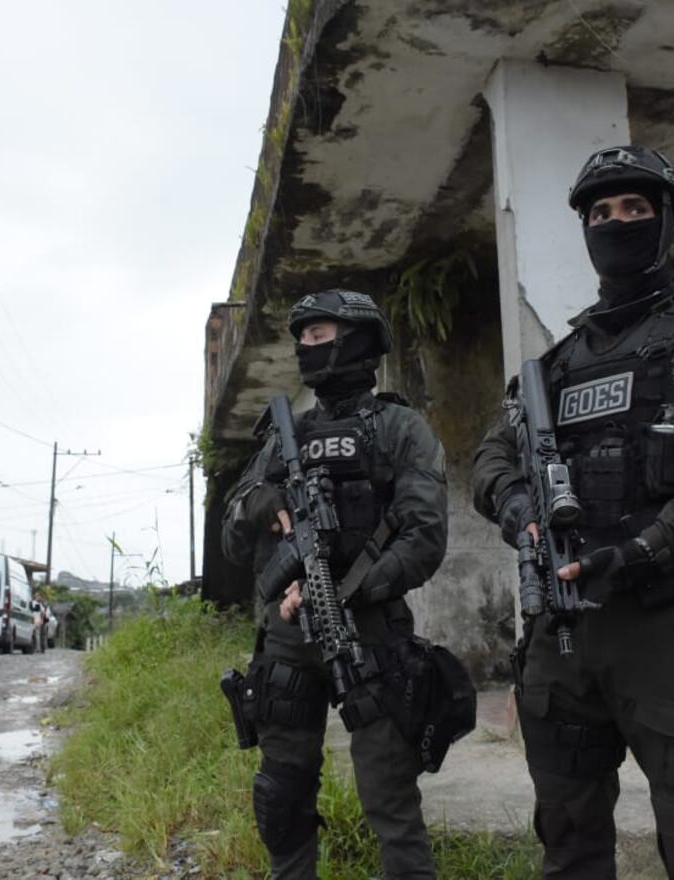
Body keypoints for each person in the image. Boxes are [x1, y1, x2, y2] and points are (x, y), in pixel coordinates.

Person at [471, 145, 674, 879]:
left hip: (664, 623)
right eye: (601, 212)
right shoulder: (551, 368)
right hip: (562, 633)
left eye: (635, 208)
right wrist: (524, 513)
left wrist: (645, 548)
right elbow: (490, 461)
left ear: (667, 221)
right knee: (569, 841)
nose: (617, 222)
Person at [222, 289, 448, 879]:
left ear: (359, 342)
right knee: (281, 796)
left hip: (367, 636)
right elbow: (233, 532)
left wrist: (343, 593)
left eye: (320, 335)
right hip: (290, 640)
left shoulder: (399, 428)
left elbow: (424, 539)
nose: (306, 346)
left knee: (390, 799)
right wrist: (258, 503)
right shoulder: (283, 437)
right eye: (303, 337)